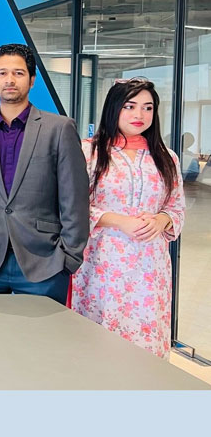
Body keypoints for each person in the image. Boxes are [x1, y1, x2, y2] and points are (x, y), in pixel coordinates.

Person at [0, 43, 89, 305]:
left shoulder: (59, 128)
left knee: (42, 331)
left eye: (18, 73)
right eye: (2, 73)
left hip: (46, 260)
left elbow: (75, 197)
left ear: (32, 79)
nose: (10, 80)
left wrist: (69, 256)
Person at [72, 78, 185, 358]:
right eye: (130, 106)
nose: (139, 115)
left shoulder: (167, 157)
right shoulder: (89, 152)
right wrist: (118, 220)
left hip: (151, 266)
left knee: (147, 342)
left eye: (148, 108)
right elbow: (71, 206)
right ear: (114, 108)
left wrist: (162, 220)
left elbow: (176, 206)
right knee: (100, 340)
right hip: (102, 263)